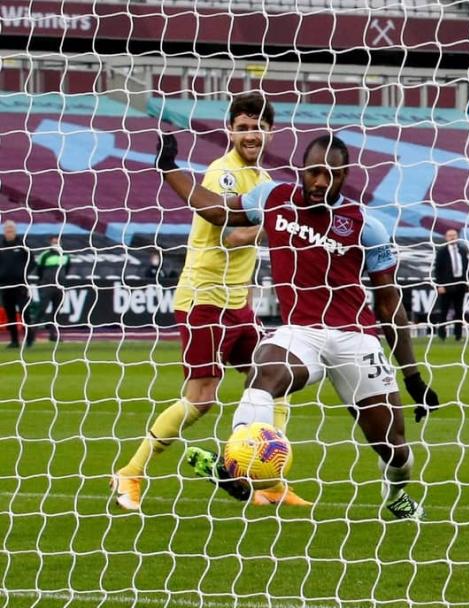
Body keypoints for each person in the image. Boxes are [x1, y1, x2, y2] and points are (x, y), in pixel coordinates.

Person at [155, 132, 440, 520]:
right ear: (302, 170)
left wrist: (412, 377)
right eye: (314, 172)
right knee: (262, 375)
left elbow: (390, 306)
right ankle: (234, 465)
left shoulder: (366, 227)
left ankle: (397, 495)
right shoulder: (273, 197)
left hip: (355, 338)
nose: (320, 181)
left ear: (345, 176)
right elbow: (217, 211)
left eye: (331, 174)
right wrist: (170, 170)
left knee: (394, 447)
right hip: (300, 332)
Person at [111, 93, 306, 509]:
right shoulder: (225, 174)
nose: (251, 134)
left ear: (270, 132)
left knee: (276, 382)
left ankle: (270, 484)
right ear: (230, 132)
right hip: (204, 298)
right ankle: (130, 473)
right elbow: (231, 234)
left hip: (238, 302)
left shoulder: (265, 182)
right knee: (202, 397)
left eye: (258, 127)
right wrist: (276, 225)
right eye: (243, 127)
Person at [27, 235, 69, 344]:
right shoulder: (45, 255)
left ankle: (53, 334)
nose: (56, 244)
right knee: (42, 309)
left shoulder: (66, 255)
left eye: (57, 242)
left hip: (60, 287)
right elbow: (39, 270)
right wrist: (44, 281)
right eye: (54, 242)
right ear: (50, 243)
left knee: (56, 311)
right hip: (47, 286)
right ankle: (32, 334)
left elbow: (67, 269)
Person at [432, 228, 469, 341]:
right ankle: (442, 334)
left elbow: (467, 269)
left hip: (460, 283)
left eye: (454, 235)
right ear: (446, 237)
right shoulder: (442, 252)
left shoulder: (463, 250)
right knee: (444, 310)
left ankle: (458, 335)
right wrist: (439, 285)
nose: (452, 237)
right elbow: (437, 270)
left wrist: (468, 283)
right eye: (450, 235)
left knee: (459, 311)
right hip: (446, 284)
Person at [0, 221, 34, 348]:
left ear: (15, 230)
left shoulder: (23, 245)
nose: (9, 231)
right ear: (4, 231)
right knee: (10, 314)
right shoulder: (1, 245)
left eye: (11, 228)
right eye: (7, 229)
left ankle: (29, 338)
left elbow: (32, 262)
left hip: (20, 285)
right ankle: (14, 341)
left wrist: (23, 273)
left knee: (24, 312)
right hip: (5, 285)